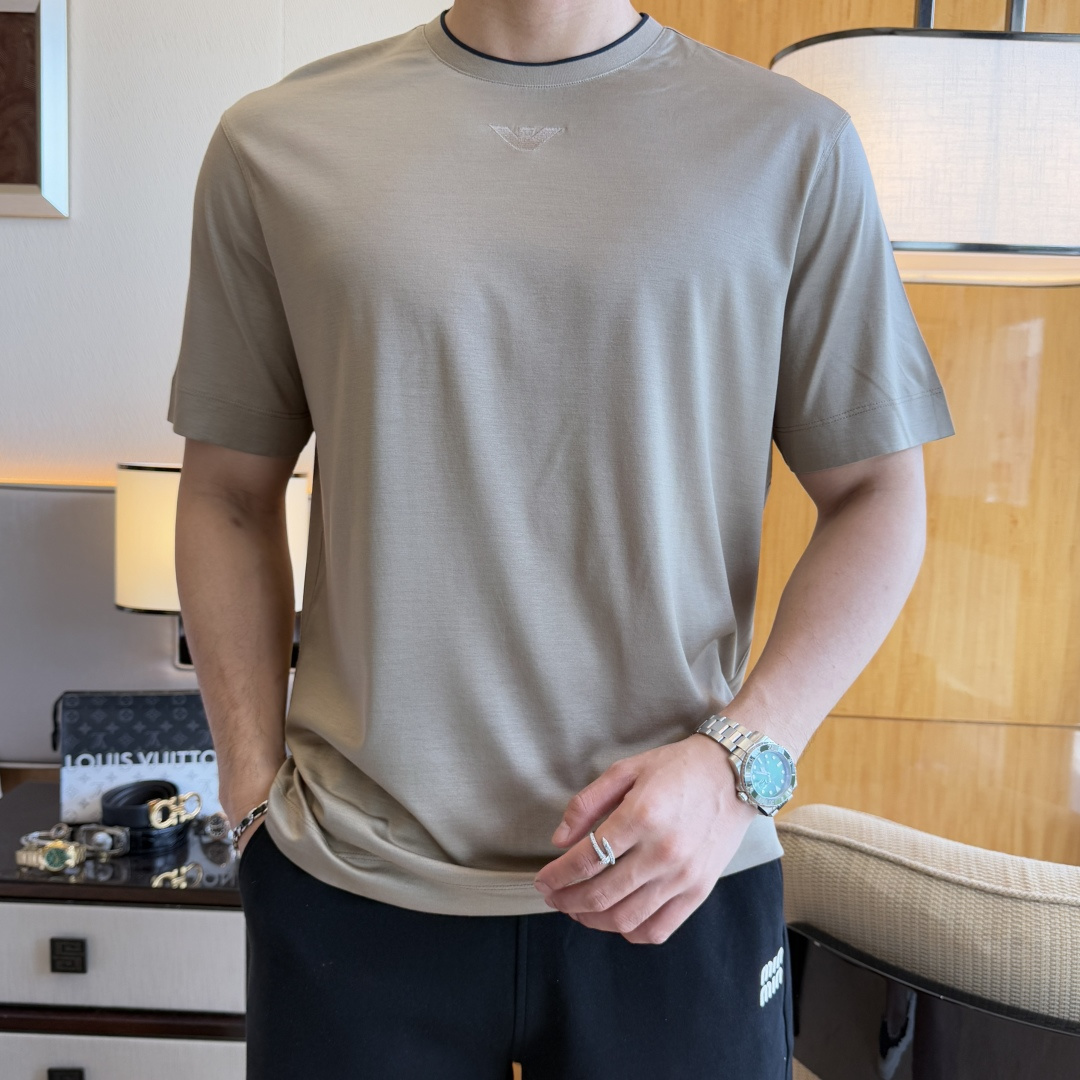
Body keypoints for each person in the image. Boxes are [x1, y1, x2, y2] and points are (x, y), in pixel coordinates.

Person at [168, 1, 956, 1077]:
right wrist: (249, 793)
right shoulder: (275, 142)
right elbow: (225, 493)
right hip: (353, 883)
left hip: (682, 877)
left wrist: (739, 768)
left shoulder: (793, 146)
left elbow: (878, 495)